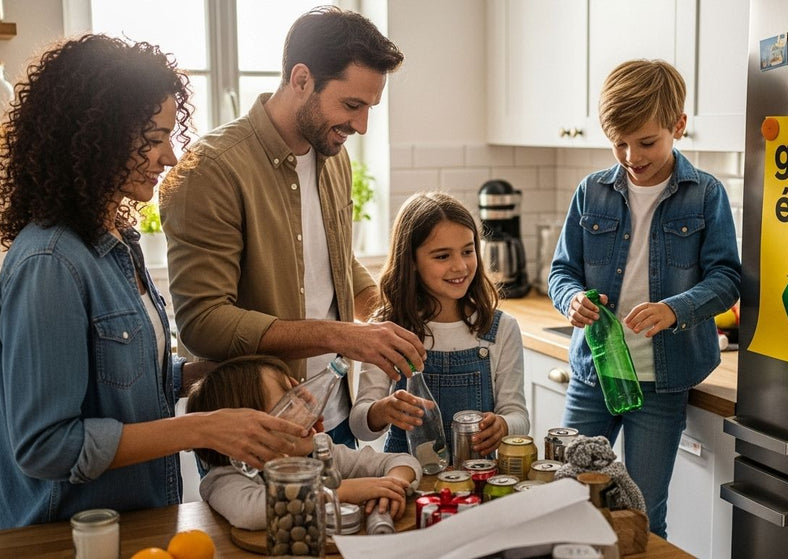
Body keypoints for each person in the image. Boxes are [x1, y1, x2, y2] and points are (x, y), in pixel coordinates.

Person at [0, 35, 306, 529]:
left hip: (137, 522)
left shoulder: (116, 245)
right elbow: (46, 445)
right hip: (72, 536)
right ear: (95, 138)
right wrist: (203, 428)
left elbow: (124, 375)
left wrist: (224, 373)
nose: (171, 156)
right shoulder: (50, 264)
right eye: (154, 138)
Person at [161, 6, 424, 450]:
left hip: (334, 416)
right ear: (301, 79)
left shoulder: (334, 156)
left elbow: (334, 261)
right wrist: (342, 335)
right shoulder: (211, 168)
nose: (361, 126)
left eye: (369, 108)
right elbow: (203, 323)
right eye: (352, 105)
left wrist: (391, 316)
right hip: (258, 428)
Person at [547, 59, 740, 538]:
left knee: (643, 515)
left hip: (662, 382)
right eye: (619, 143)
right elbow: (561, 272)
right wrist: (571, 299)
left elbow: (727, 279)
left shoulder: (706, 194)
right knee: (566, 500)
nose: (631, 156)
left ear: (679, 125)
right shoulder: (591, 191)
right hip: (594, 373)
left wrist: (675, 309)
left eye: (646, 142)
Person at [350, 192, 529, 457]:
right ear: (411, 261)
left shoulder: (502, 328)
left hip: (478, 474)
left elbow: (518, 416)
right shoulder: (387, 330)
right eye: (442, 256)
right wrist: (382, 411)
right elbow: (360, 426)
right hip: (407, 473)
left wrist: (504, 425)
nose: (460, 266)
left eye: (467, 251)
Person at [185, 355, 421, 530]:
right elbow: (250, 512)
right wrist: (345, 491)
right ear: (249, 427)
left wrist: (390, 486)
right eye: (290, 402)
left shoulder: (319, 451)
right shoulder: (225, 478)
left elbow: (402, 460)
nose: (310, 403)